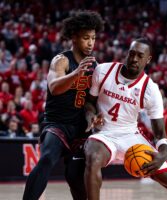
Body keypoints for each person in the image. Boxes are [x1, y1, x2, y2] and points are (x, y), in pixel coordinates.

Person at [84, 38, 167, 200]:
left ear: (148, 59)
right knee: (94, 158)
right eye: (131, 54)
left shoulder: (150, 89)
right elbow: (89, 103)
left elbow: (159, 132)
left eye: (140, 56)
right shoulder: (103, 70)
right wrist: (91, 116)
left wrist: (163, 154)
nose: (134, 59)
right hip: (104, 134)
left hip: (131, 136)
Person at [23, 11, 105, 200]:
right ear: (74, 37)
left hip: (79, 129)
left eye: (93, 38)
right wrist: (76, 73)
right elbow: (54, 87)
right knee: (46, 159)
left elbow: (90, 102)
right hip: (56, 125)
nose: (91, 42)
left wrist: (94, 113)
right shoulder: (61, 60)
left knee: (75, 177)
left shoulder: (95, 65)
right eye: (86, 38)